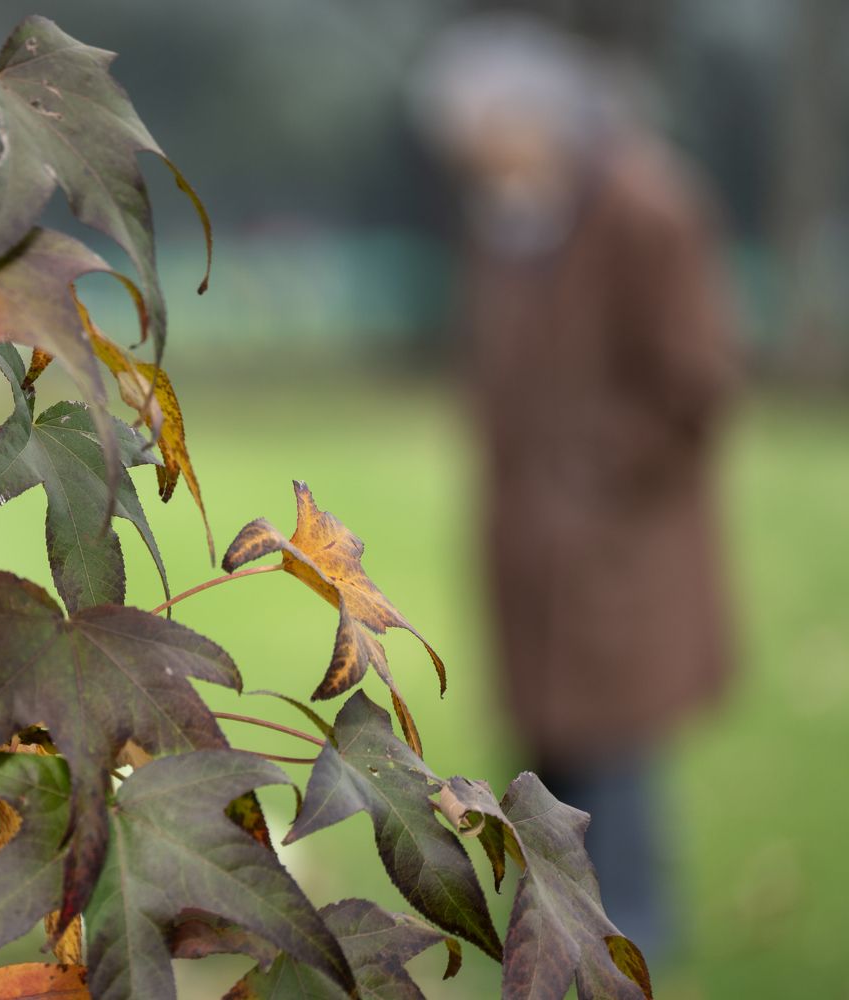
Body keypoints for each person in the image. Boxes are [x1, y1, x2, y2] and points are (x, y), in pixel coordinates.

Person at [409, 15, 739, 960]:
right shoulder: (513, 212)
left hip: (620, 547)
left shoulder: (648, 205)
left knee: (616, 751)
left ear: (530, 115)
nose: (470, 162)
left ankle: (633, 946)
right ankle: (556, 939)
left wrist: (590, 475)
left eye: (480, 138)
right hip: (532, 542)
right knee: (549, 756)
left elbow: (698, 381)